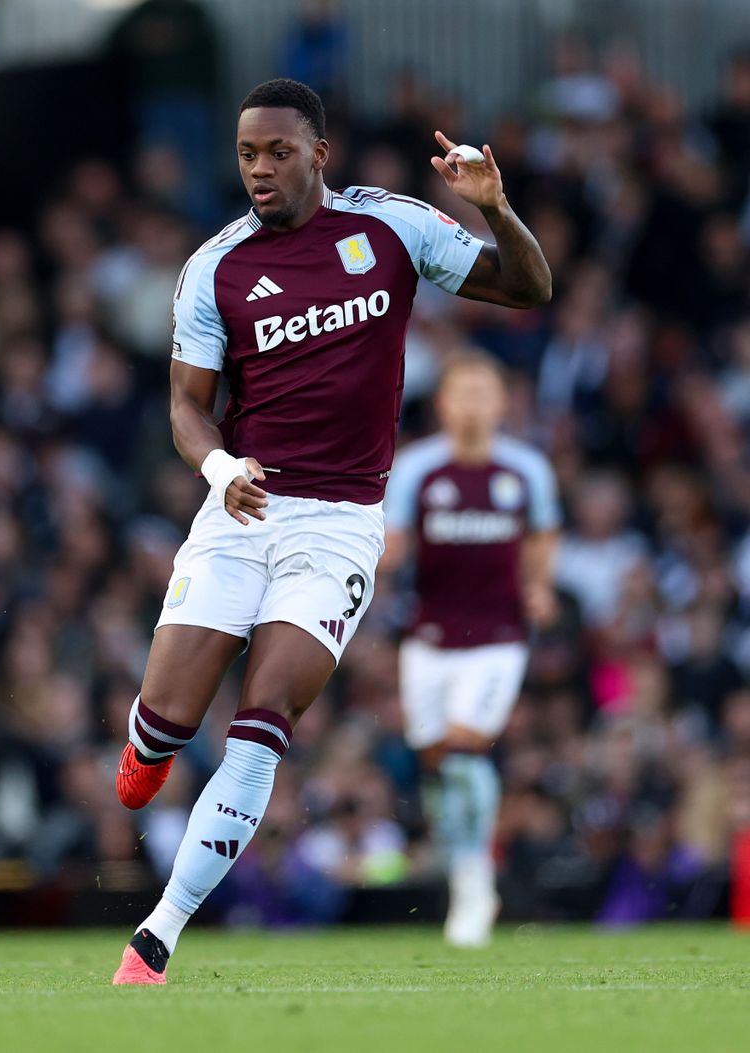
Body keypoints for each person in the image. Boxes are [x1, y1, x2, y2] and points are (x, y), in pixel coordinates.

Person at [110, 78, 551, 985]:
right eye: (245, 155)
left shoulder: (390, 229)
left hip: (341, 525)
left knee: (260, 723)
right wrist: (220, 468)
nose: (259, 170)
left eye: (276, 152)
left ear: (319, 153)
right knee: (166, 725)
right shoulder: (215, 268)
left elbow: (530, 287)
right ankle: (148, 747)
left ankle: (157, 935)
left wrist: (495, 208)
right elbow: (188, 410)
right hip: (241, 510)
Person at [382, 354, 559, 948]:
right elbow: (395, 543)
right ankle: (462, 862)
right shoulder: (416, 470)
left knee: (463, 750)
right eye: (466, 393)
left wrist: (538, 586)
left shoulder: (526, 470)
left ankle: (474, 884)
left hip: (498, 637)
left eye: (487, 392)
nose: (476, 404)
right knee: (436, 761)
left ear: (503, 403)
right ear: (446, 404)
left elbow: (542, 534)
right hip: (429, 637)